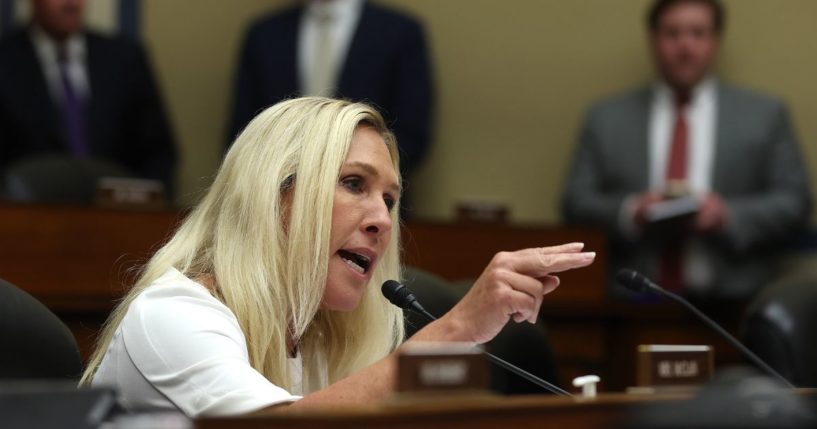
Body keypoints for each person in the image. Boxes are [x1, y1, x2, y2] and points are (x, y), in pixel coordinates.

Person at [81, 97, 595, 417]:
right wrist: (455, 331)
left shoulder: (318, 341)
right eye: (354, 184)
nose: (383, 220)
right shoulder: (174, 314)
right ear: (274, 194)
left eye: (391, 199)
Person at [562, 0, 811, 300]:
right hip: (629, 302)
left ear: (716, 40)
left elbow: (796, 202)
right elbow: (575, 202)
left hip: (735, 303)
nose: (685, 46)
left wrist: (726, 215)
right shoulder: (605, 118)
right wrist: (632, 211)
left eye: (698, 33)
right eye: (673, 33)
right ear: (653, 39)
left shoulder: (765, 115)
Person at [227, 0, 432, 186]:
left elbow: (409, 132)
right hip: (275, 197)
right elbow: (245, 129)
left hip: (367, 199)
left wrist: (348, 179)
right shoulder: (265, 33)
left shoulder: (399, 32)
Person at [0, 0, 176, 195]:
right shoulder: (6, 60)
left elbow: (158, 154)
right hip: (25, 216)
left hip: (117, 214)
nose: (71, 3)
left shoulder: (125, 59)